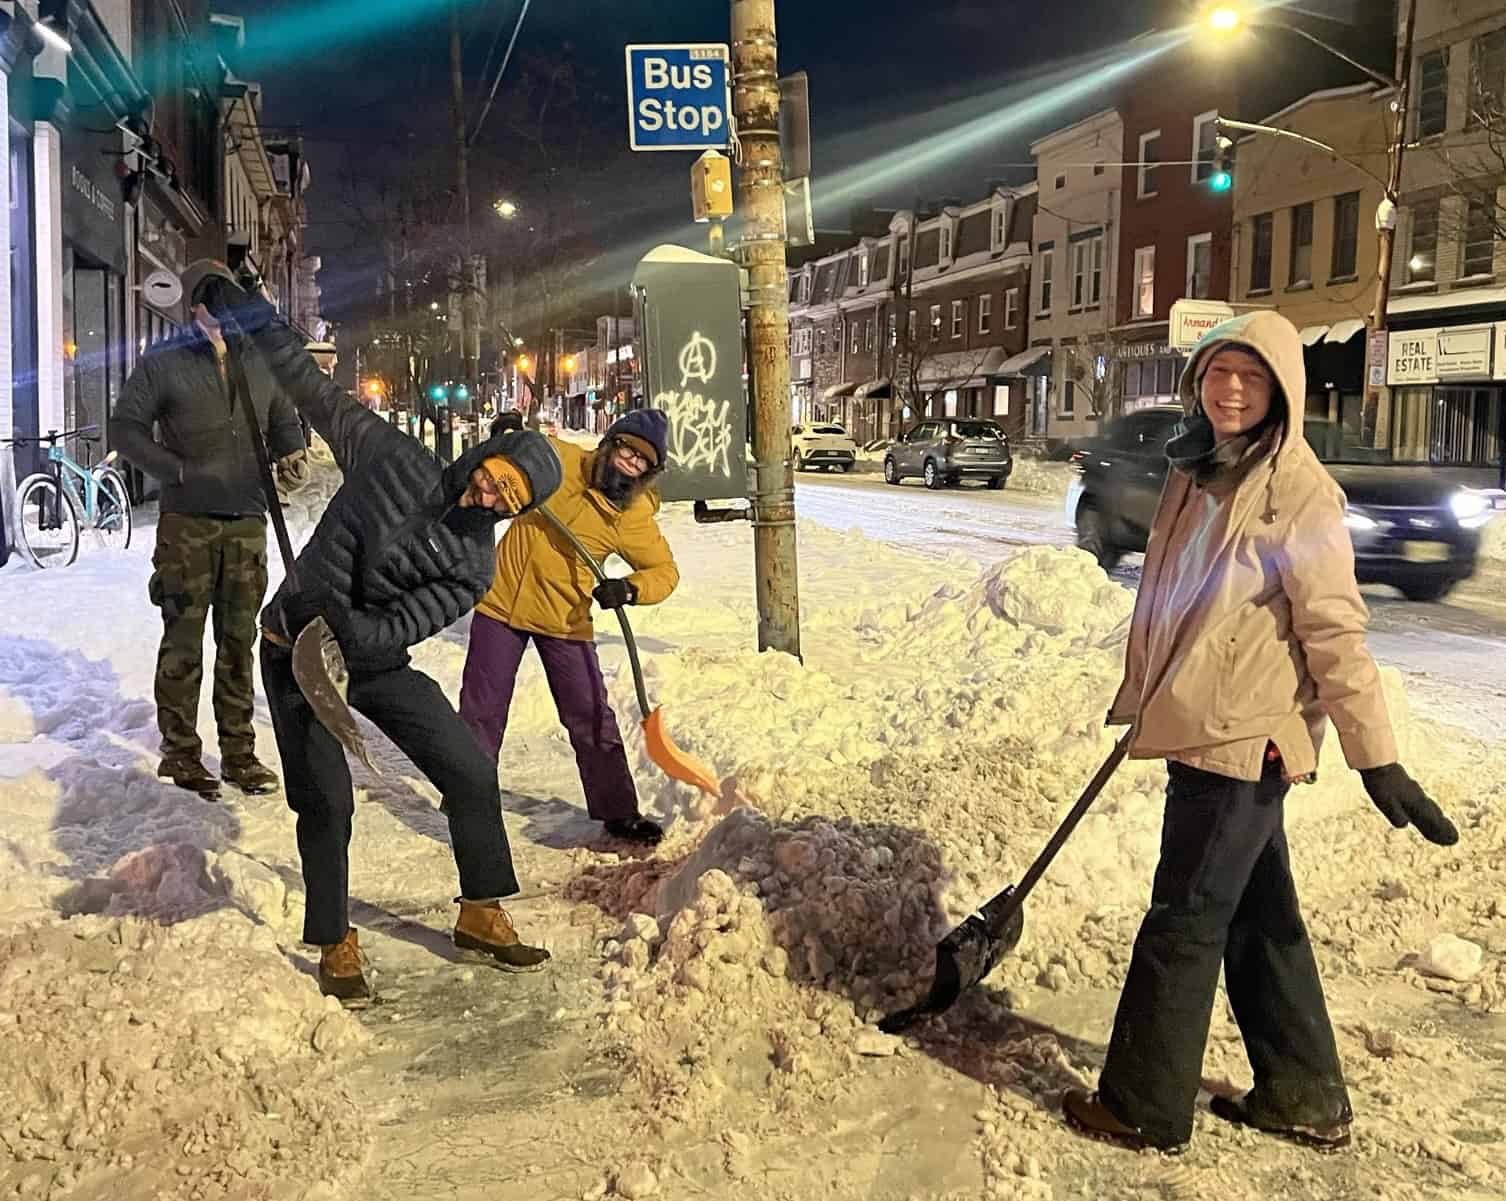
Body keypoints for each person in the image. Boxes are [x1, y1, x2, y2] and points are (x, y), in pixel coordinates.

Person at [1062, 311, 1459, 1156]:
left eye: (1250, 376)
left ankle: (1142, 1105)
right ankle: (1303, 1093)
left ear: (1282, 388)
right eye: (1218, 373)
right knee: (1254, 914)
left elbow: (1335, 631)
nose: (1231, 389)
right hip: (1205, 721)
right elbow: (1183, 604)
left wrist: (1375, 756)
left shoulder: (1298, 490)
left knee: (1184, 920)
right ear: (1197, 383)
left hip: (1243, 740)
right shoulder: (1198, 471)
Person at [197, 270, 565, 1005]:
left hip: (367, 656)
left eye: (508, 500)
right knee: (327, 799)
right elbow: (310, 386)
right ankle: (335, 937)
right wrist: (251, 314)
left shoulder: (472, 566)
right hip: (293, 646)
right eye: (496, 478)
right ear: (486, 459)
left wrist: (350, 625)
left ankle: (482, 909)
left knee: (466, 765)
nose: (488, 496)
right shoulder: (391, 456)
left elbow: (403, 625)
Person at [115, 276, 310, 801]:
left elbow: (282, 419)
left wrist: (292, 453)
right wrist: (174, 471)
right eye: (217, 309)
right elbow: (125, 430)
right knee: (182, 639)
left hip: (247, 521)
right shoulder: (164, 361)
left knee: (238, 642)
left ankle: (239, 752)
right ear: (196, 310)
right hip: (187, 527)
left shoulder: (258, 361)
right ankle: (180, 752)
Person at [460, 410, 680, 846]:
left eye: (640, 461)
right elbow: (514, 458)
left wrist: (630, 589)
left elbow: (664, 571)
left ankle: (618, 811)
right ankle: (466, 796)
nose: (628, 462)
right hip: (500, 603)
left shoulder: (631, 517)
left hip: (564, 619)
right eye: (625, 449)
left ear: (648, 473)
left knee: (590, 714)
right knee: (481, 710)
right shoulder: (560, 460)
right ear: (609, 443)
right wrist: (507, 437)